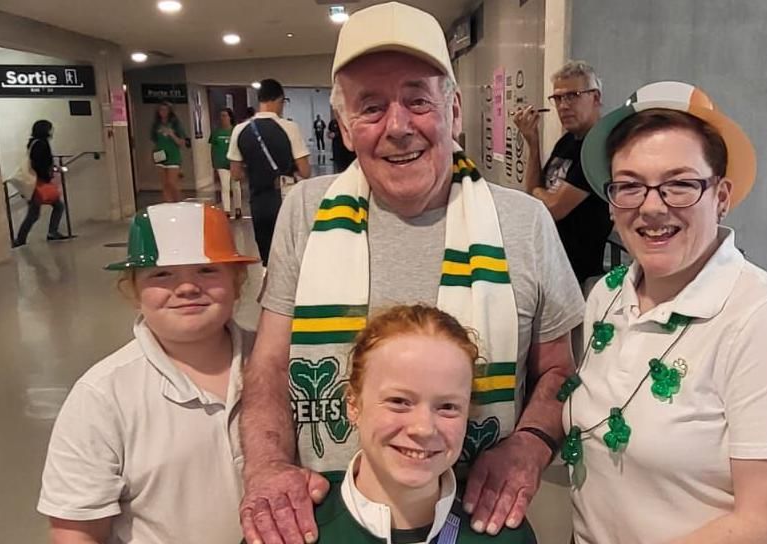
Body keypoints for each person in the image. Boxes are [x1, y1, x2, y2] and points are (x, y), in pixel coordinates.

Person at [238, 3, 583, 544]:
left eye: (418, 100)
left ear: (455, 109)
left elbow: (560, 371)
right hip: (325, 517)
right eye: (370, 107)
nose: (398, 127)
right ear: (346, 128)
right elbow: (270, 364)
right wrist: (265, 465)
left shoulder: (525, 222)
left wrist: (529, 445)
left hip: (473, 521)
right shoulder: (305, 211)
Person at [561, 81, 767, 543]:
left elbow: (766, 524)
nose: (651, 206)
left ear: (721, 196)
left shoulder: (765, 321)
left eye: (680, 184)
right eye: (629, 186)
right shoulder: (606, 294)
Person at [37, 202, 258, 544]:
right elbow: (76, 531)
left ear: (237, 281)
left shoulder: (273, 364)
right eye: (161, 274)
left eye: (205, 270)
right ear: (133, 291)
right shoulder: (102, 396)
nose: (186, 288)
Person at [314, 304, 536, 543]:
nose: (423, 428)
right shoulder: (294, 529)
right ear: (353, 404)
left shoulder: (505, 536)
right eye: (399, 401)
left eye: (447, 407)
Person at [513, 61, 612, 294]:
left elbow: (554, 208)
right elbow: (532, 194)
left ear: (595, 98)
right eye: (558, 99)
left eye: (573, 96)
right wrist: (533, 143)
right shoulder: (567, 142)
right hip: (548, 264)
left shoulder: (599, 148)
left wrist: (541, 196)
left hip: (575, 275)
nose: (563, 106)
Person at [228, 78, 311, 264]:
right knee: (291, 255)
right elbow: (305, 171)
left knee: (268, 256)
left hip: (258, 200)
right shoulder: (290, 127)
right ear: (279, 99)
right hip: (286, 199)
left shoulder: (240, 130)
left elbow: (235, 174)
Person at [13, 119, 68, 247]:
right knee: (38, 212)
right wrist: (49, 172)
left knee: (45, 210)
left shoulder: (34, 143)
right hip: (37, 183)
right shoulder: (41, 144)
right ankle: (22, 239)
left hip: (36, 182)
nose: (51, 131)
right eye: (50, 128)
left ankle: (23, 238)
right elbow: (39, 163)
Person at [150, 101, 190, 202]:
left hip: (173, 157)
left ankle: (178, 202)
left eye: (165, 110)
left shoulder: (175, 124)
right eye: (161, 110)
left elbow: (182, 142)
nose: (163, 112)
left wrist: (172, 134)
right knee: (165, 184)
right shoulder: (156, 125)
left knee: (172, 183)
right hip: (160, 156)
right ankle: (168, 205)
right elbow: (155, 140)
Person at [210, 108, 243, 219]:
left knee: (236, 186)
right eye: (221, 116)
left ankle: (238, 208)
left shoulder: (235, 131)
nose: (223, 118)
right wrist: (213, 163)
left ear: (230, 117)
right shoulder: (216, 132)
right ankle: (227, 210)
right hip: (221, 162)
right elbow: (213, 148)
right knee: (225, 186)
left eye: (225, 115)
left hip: (234, 162)